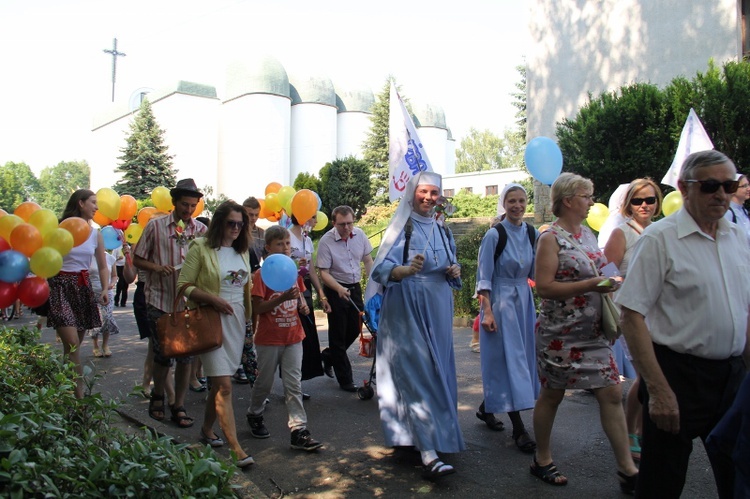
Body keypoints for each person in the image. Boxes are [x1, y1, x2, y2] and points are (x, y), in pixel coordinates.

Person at [617, 150, 750, 498]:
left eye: (729, 184)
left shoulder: (740, 238)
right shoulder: (660, 239)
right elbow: (631, 316)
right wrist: (659, 391)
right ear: (684, 188)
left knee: (737, 472)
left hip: (732, 375)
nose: (721, 193)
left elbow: (745, 311)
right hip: (678, 375)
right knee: (663, 479)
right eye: (709, 186)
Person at [532, 172, 638, 492]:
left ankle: (627, 468)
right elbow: (545, 288)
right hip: (560, 335)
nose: (591, 201)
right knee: (552, 395)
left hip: (593, 333)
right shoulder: (549, 237)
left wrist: (613, 280)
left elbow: (602, 267)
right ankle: (542, 459)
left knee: (610, 392)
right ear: (568, 200)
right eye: (586, 196)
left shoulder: (588, 235)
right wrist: (593, 284)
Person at [366, 171, 465, 480]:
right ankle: (427, 451)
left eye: (434, 192)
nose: (429, 197)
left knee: (437, 371)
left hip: (437, 308)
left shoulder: (443, 230)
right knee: (416, 373)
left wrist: (454, 270)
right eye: (424, 191)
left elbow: (454, 272)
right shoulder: (400, 228)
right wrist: (404, 270)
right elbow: (379, 271)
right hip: (406, 308)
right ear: (412, 194)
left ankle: (429, 434)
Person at [177, 200, 254, 468]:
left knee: (220, 384)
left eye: (240, 224)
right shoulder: (200, 247)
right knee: (224, 385)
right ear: (220, 222)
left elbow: (245, 289)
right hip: (210, 320)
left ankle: (206, 430)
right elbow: (183, 285)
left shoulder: (241, 250)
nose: (235, 228)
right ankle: (235, 448)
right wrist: (213, 299)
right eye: (231, 223)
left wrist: (249, 319)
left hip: (236, 322)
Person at [133, 179, 207, 428]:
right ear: (174, 202)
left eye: (193, 206)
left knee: (186, 358)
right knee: (164, 355)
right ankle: (158, 395)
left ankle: (179, 405)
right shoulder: (155, 227)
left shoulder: (199, 231)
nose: (188, 210)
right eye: (185, 204)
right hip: (160, 300)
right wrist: (156, 267)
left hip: (188, 304)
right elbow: (138, 258)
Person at [245, 225, 324, 452]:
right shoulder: (262, 274)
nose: (286, 247)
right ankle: (255, 413)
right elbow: (258, 308)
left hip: (293, 336)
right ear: (268, 248)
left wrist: (303, 307)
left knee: (293, 384)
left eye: (288, 243)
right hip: (269, 339)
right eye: (280, 244)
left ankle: (299, 430)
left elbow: (298, 296)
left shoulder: (292, 271)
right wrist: (280, 301)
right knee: (265, 382)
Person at [475, 183, 539, 453]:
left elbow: (536, 272)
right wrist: (487, 311)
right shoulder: (494, 235)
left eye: (521, 200)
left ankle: (486, 407)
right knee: (509, 361)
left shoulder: (532, 232)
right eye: (511, 201)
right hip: (500, 302)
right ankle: (519, 429)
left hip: (523, 300)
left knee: (520, 359)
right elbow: (483, 277)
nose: (517, 206)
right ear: (504, 203)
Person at [603, 177, 663, 463]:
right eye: (638, 200)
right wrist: (627, 280)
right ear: (628, 204)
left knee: (655, 372)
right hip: (631, 312)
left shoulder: (661, 231)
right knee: (645, 374)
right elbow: (606, 273)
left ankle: (641, 428)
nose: (644, 206)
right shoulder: (621, 233)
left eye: (650, 200)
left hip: (660, 312)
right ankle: (630, 431)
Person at [47, 189, 111, 398]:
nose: (97, 207)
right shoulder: (58, 228)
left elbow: (102, 265)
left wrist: (103, 288)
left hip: (82, 289)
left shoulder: (95, 234)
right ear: (81, 203)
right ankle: (79, 398)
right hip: (60, 287)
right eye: (93, 202)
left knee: (72, 350)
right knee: (73, 345)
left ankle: (62, 391)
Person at [316, 205, 373, 392]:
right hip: (335, 288)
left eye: (350, 223)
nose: (347, 228)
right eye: (342, 225)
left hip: (354, 287)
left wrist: (373, 284)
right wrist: (339, 289)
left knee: (355, 329)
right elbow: (323, 272)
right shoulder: (326, 241)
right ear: (334, 223)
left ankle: (328, 356)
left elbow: (367, 260)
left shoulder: (360, 235)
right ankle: (345, 379)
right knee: (338, 334)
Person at [289, 213, 330, 395]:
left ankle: (296, 384)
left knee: (306, 336)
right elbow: (281, 262)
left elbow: (311, 269)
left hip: (304, 287)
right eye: (313, 216)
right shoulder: (287, 236)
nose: (316, 220)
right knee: (293, 336)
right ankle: (290, 385)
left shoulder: (307, 239)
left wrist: (321, 294)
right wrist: (296, 264)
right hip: (289, 286)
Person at [234, 198, 264, 385]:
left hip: (256, 285)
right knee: (239, 325)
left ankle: (247, 363)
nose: (252, 218)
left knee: (252, 326)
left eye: (255, 215)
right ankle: (237, 365)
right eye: (249, 214)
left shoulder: (262, 233)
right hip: (238, 285)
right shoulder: (237, 232)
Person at [89, 249, 119, 357]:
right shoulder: (88, 256)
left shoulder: (110, 258)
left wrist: (112, 283)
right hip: (92, 292)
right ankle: (95, 345)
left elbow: (115, 275)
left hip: (108, 293)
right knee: (95, 319)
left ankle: (105, 345)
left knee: (107, 317)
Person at [724, 173, 750, 246]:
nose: (748, 188)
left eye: (748, 185)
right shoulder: (728, 213)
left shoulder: (744, 211)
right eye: (744, 186)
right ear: (733, 189)